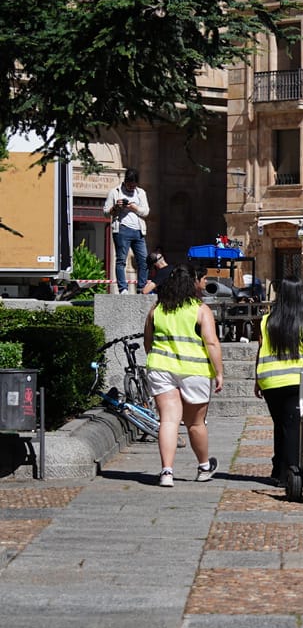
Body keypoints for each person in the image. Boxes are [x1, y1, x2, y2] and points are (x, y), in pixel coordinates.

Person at [143, 263, 224, 486]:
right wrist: (219, 372)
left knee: (168, 420)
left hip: (160, 367)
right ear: (192, 284)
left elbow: (147, 341)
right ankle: (204, 467)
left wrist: (157, 359)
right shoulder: (200, 310)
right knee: (196, 423)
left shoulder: (156, 309)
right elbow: (211, 342)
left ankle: (166, 472)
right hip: (195, 370)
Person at [253, 277, 303, 485]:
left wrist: (257, 379)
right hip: (298, 380)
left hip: (270, 380)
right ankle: (292, 474)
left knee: (280, 424)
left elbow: (261, 351)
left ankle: (278, 469)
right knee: (295, 427)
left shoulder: (266, 321)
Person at [104, 168, 151, 294]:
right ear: (125, 181)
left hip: (139, 231)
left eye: (133, 185)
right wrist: (116, 207)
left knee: (144, 260)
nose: (131, 188)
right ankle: (123, 288)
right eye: (129, 185)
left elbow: (146, 211)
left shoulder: (141, 193)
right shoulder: (115, 192)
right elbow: (105, 212)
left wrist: (134, 208)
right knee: (121, 260)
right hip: (122, 230)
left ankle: (141, 288)